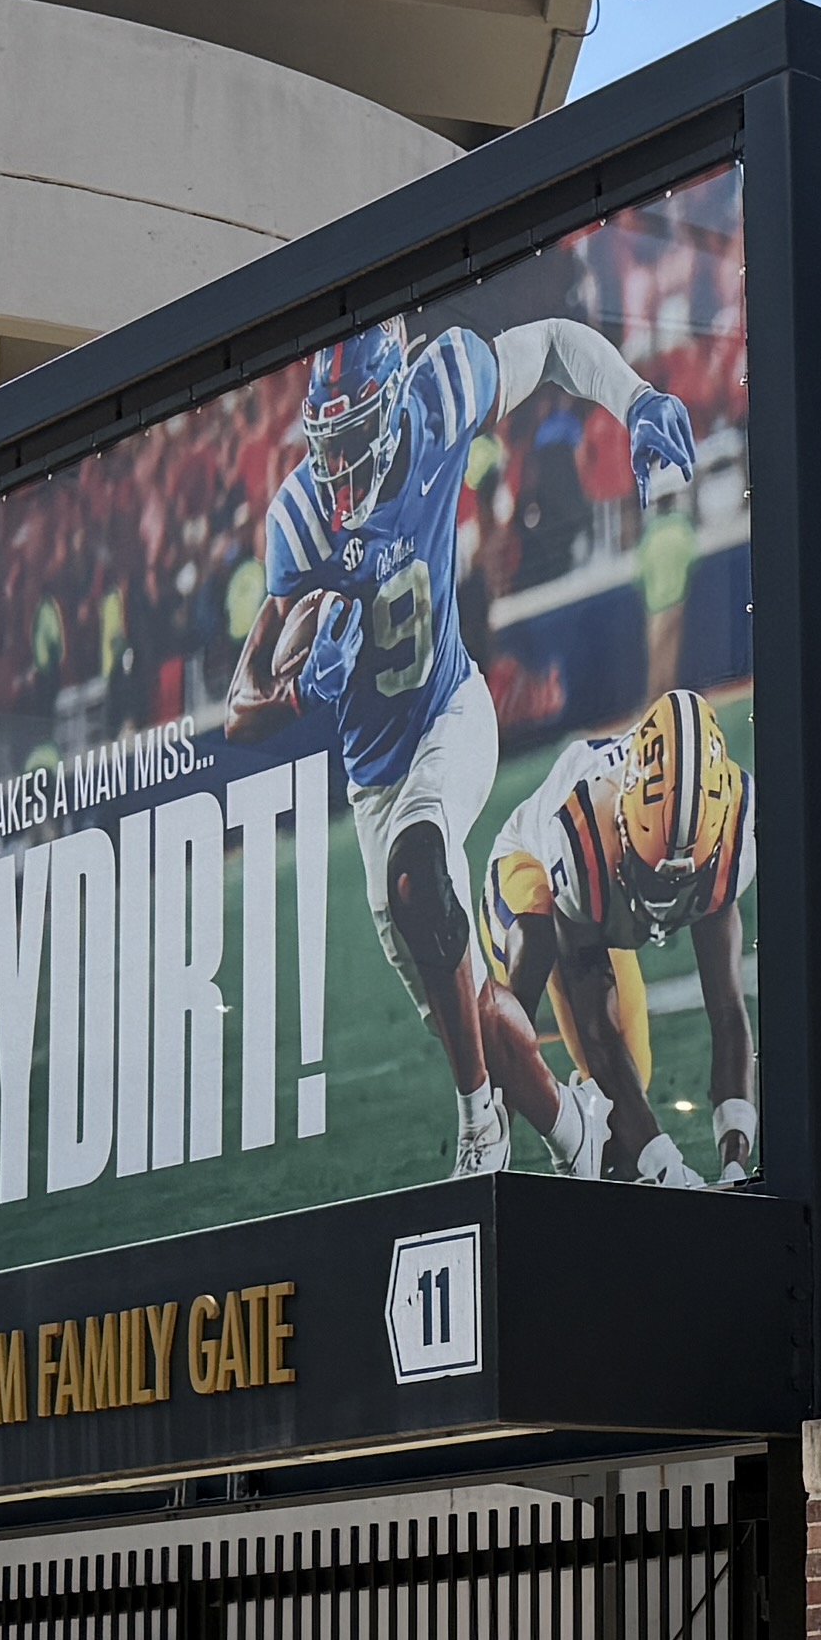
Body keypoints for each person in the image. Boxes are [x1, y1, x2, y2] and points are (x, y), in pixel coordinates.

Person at [241, 304, 698, 1179]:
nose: (339, 460)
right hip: (374, 784)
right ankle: (581, 1137)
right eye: (327, 441)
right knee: (475, 1011)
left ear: (392, 402)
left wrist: (635, 398)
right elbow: (241, 704)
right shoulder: (300, 516)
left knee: (420, 868)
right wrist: (297, 690)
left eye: (354, 433)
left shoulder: (442, 391)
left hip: (453, 711)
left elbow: (555, 344)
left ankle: (478, 1124)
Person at [478, 690, 759, 1186]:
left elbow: (727, 1011)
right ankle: (484, 1144)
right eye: (653, 878)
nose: (665, 899)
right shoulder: (581, 839)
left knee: (619, 1143)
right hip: (529, 864)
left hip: (607, 901)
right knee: (530, 959)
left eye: (684, 883)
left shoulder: (727, 841)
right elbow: (596, 1030)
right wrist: (667, 1164)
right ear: (624, 827)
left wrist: (736, 1160)